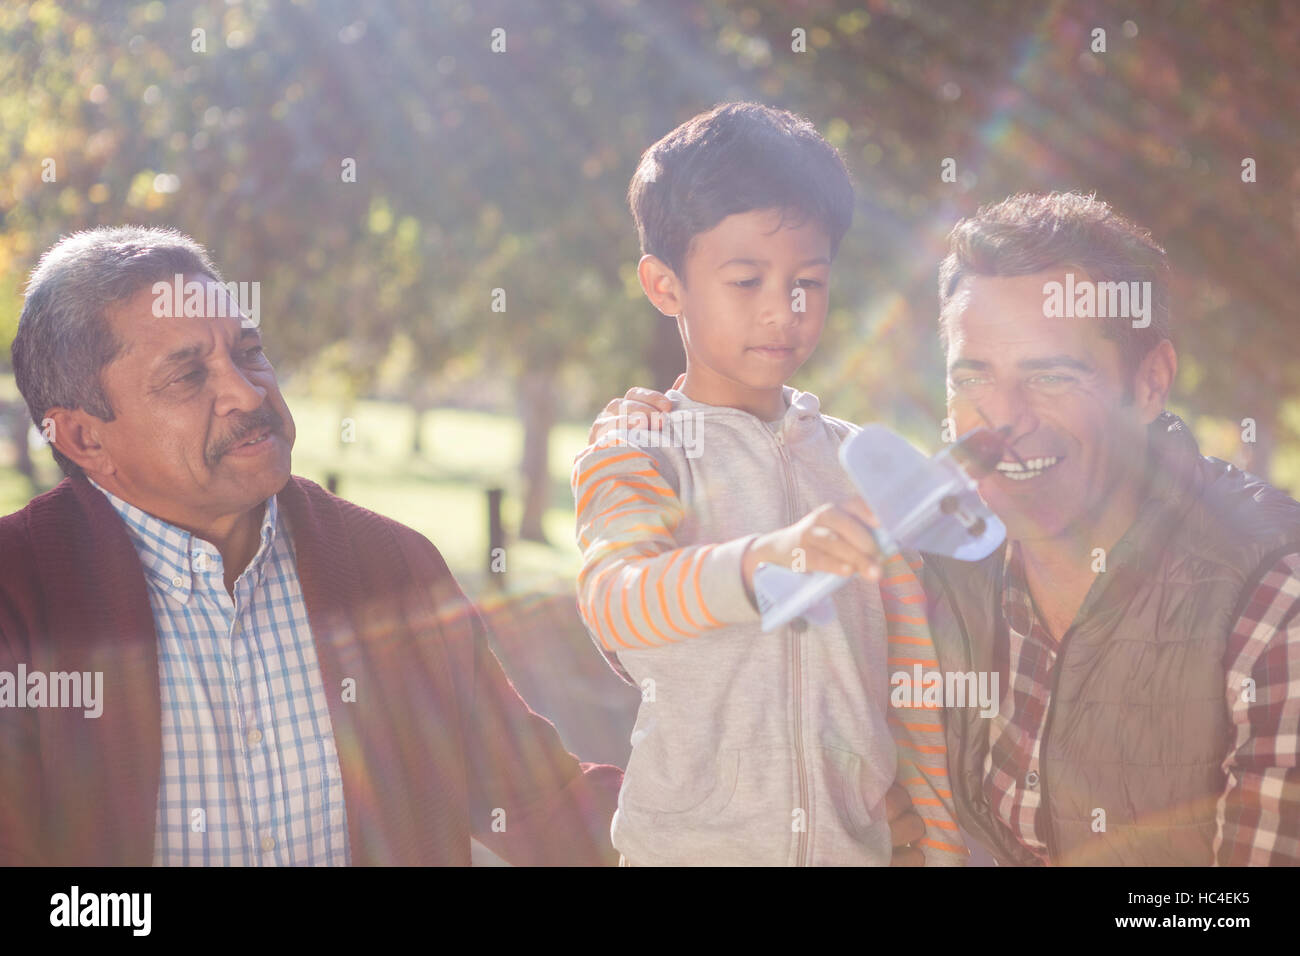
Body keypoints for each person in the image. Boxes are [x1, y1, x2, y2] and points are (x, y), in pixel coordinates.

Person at [591, 191, 1300, 865]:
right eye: (972, 378)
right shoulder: (941, 562)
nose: (1004, 418)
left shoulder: (1272, 601)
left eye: (1052, 377)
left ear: (1148, 385)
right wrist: (658, 441)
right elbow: (684, 645)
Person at [0, 225, 621, 866]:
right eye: (188, 377)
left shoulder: (392, 566)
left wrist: (707, 815)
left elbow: (540, 803)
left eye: (248, 352)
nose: (246, 391)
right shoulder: (18, 599)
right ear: (82, 439)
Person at [571, 102, 963, 866]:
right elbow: (617, 602)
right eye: (746, 279)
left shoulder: (861, 464)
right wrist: (762, 564)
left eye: (808, 282)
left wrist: (937, 847)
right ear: (665, 285)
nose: (784, 310)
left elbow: (914, 675)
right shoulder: (639, 444)